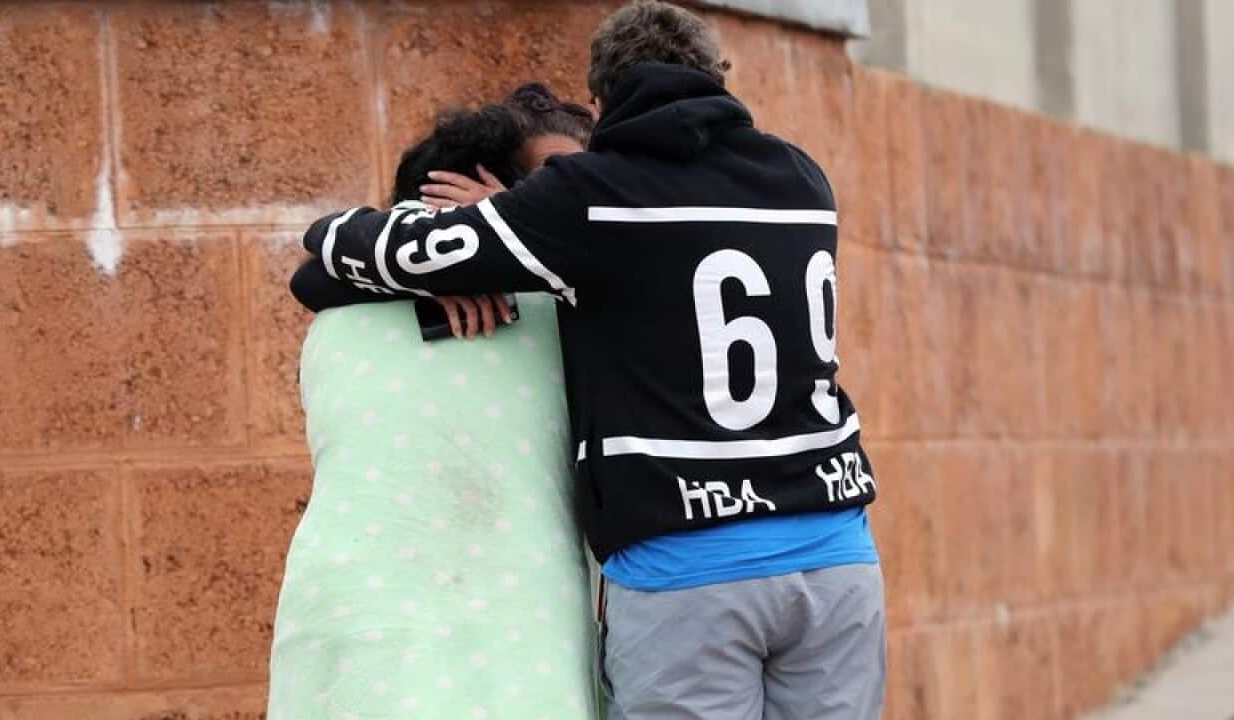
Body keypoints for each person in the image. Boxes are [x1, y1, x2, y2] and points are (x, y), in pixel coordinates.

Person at [296, 2, 885, 718]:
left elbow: (342, 252)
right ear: (716, 77)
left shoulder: (590, 197)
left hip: (689, 568)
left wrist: (497, 222)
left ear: (602, 99)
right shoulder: (801, 177)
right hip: (837, 554)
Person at [268, 84, 602, 720]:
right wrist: (458, 261)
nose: (572, 202)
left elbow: (315, 264)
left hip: (361, 631)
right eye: (552, 184)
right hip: (503, 637)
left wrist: (427, 264)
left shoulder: (336, 308)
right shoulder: (562, 314)